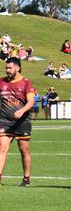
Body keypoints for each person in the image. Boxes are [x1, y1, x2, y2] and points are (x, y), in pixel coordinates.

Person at [0, 57, 36, 186]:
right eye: (6, 68)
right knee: (2, 148)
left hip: (22, 122)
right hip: (4, 121)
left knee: (24, 149)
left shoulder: (26, 83)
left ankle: (26, 178)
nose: (7, 70)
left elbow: (31, 101)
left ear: (18, 67)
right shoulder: (1, 82)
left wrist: (22, 110)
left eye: (10, 68)